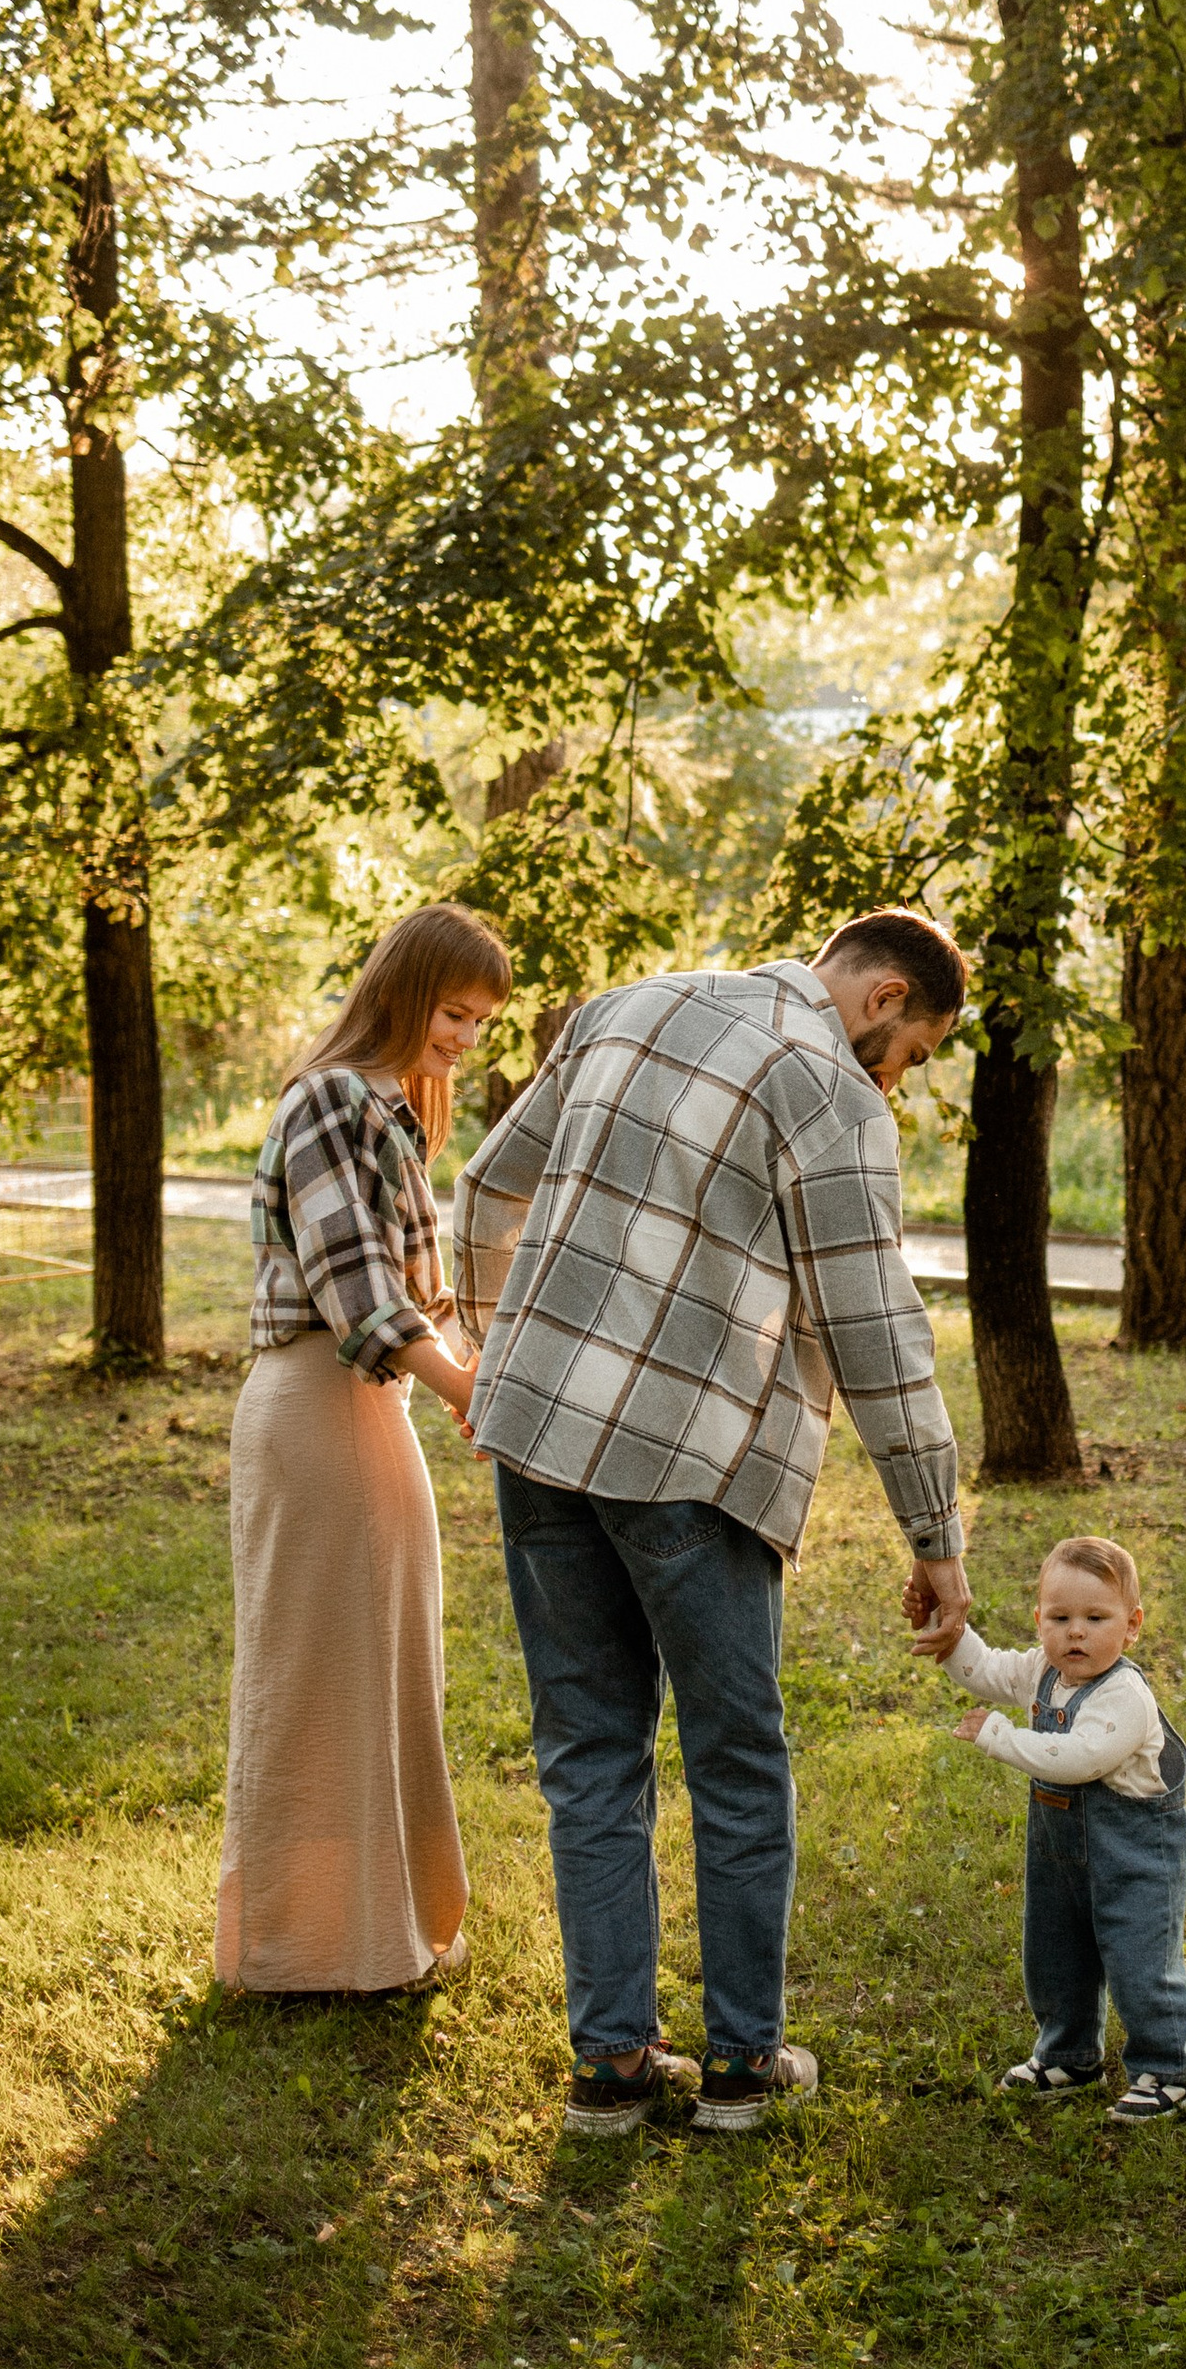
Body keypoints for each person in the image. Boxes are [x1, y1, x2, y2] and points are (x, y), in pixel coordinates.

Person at [454, 910, 974, 2141]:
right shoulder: (828, 1091)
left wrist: (497, 1352)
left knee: (588, 1751)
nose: (895, 1078)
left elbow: (486, 1186)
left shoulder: (627, 1004)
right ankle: (741, 2065)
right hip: (691, 1463)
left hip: (535, 1439)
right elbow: (876, 1328)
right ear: (882, 996)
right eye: (911, 1053)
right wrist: (935, 1531)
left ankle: (613, 2070)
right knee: (735, 1759)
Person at [217, 902, 511, 1997]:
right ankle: (303, 1950)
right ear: (401, 988)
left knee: (386, 1673)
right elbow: (357, 1292)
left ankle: (381, 1931)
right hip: (320, 1401)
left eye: (482, 1022)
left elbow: (425, 1295)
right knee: (319, 1677)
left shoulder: (391, 1112)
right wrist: (467, 1400)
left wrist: (478, 1377)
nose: (466, 1039)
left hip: (368, 1411)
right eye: (454, 1012)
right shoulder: (331, 1098)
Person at [918, 1532, 1186, 2122]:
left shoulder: (1123, 1696)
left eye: (1097, 1617)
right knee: (1055, 1952)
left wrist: (1000, 1737)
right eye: (1060, 1616)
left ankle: (1165, 2069)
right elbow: (986, 1671)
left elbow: (1077, 1759)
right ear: (1039, 1619)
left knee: (1140, 1959)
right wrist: (949, 1628)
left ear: (1131, 1626)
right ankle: (1069, 2053)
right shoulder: (1043, 1669)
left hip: (1133, 1856)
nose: (1076, 1632)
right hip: (1060, 1853)